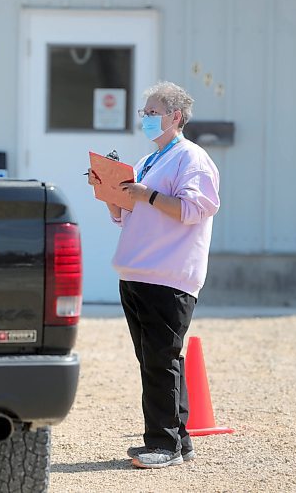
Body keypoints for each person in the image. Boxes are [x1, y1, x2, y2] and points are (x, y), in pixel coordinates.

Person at [88, 81, 220, 469]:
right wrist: (110, 191)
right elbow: (128, 213)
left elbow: (196, 208)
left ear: (175, 116)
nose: (145, 118)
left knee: (160, 360)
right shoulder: (150, 160)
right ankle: (179, 438)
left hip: (168, 273)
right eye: (144, 113)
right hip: (137, 271)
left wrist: (144, 194)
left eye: (152, 112)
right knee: (156, 359)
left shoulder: (191, 158)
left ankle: (162, 444)